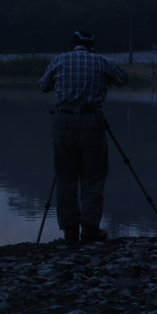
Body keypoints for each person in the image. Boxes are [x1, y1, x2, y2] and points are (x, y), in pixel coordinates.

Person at [38, 30, 128, 243]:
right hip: (91, 121)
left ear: (71, 47)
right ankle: (89, 227)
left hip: (64, 121)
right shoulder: (101, 61)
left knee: (65, 178)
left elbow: (43, 86)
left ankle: (70, 230)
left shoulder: (60, 60)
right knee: (93, 178)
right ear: (92, 47)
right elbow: (123, 79)